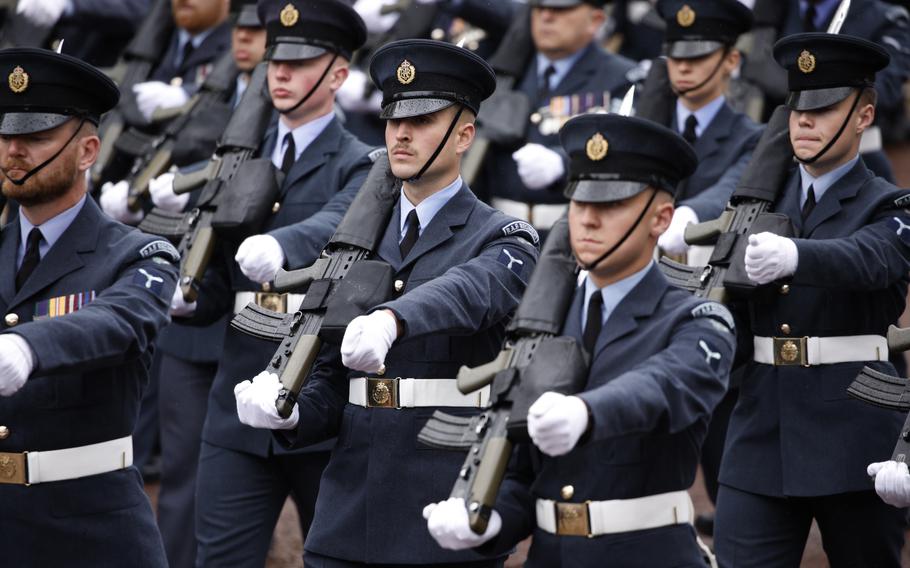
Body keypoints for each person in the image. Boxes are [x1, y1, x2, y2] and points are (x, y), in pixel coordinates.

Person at [234, 38, 540, 567]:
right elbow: (334, 378)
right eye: (395, 117)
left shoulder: (504, 237)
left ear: (464, 134)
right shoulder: (355, 242)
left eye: (423, 121)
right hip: (350, 514)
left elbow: (471, 291)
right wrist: (291, 410)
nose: (402, 132)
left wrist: (394, 319)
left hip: (439, 508)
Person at [424, 113, 737, 567]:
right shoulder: (539, 321)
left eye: (611, 206)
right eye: (580, 203)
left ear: (660, 218)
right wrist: (489, 522)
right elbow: (526, 471)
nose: (588, 221)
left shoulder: (696, 319)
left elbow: (667, 384)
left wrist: (589, 411)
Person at [171, 1, 376, 566]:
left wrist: (284, 246)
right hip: (237, 409)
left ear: (338, 73)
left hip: (321, 410)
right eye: (276, 61)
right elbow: (217, 286)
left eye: (301, 62)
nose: (281, 73)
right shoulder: (238, 161)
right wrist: (184, 296)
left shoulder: (364, 165)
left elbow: (344, 217)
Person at [713, 33, 910, 567]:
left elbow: (873, 259)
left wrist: (797, 256)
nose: (805, 121)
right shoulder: (758, 202)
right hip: (760, 430)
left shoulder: (890, 203)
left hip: (854, 433)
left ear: (864, 114)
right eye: (799, 107)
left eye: (824, 109)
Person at [0, 47, 179, 566]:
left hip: (88, 528)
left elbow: (119, 322)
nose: (15, 151)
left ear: (86, 151)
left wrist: (30, 348)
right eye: (8, 136)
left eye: (36, 138)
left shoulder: (138, 254)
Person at [477, 0, 635, 236]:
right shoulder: (504, 73)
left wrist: (563, 163)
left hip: (572, 234)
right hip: (495, 231)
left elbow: (625, 150)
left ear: (596, 20)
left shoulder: (621, 78)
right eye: (539, 8)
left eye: (561, 9)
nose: (546, 17)